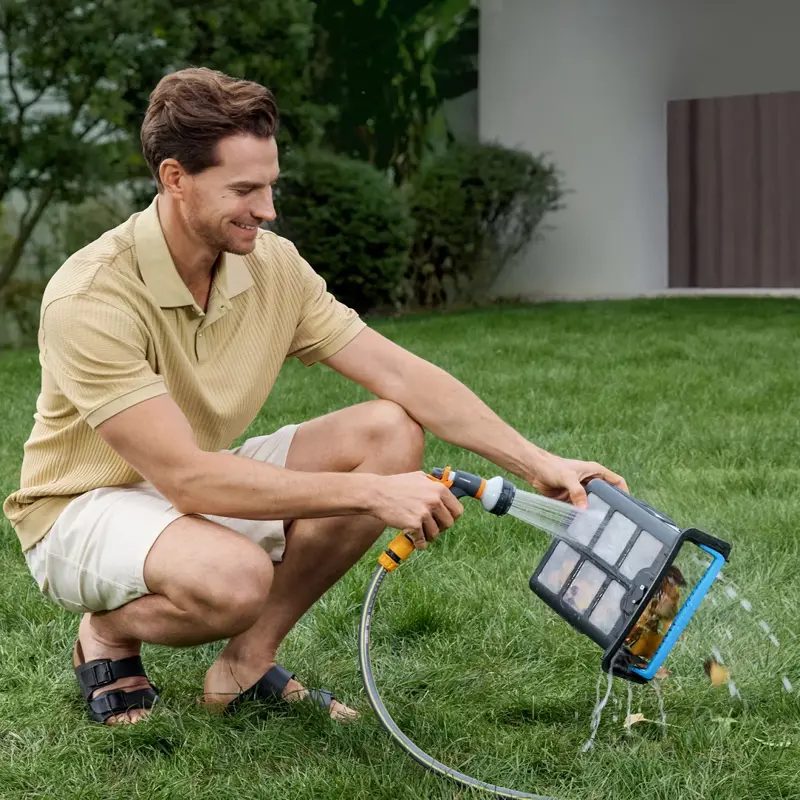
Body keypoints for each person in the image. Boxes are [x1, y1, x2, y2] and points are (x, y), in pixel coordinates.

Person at [2, 67, 628, 727]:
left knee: (390, 430)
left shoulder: (271, 265)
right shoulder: (92, 296)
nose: (267, 208)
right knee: (235, 579)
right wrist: (371, 494)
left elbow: (402, 375)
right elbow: (187, 479)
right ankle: (106, 633)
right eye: (244, 190)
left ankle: (245, 663)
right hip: (82, 507)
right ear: (175, 178)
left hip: (190, 480)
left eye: (270, 184)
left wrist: (537, 463)